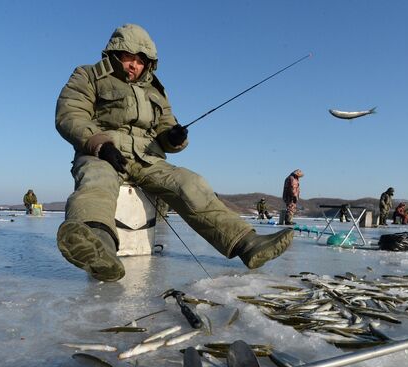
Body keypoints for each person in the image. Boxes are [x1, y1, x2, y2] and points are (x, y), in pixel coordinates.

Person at [54, 24, 293, 281]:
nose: (134, 65)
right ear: (114, 54)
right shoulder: (89, 75)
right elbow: (70, 114)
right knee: (97, 181)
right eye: (128, 58)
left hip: (147, 159)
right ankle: (97, 244)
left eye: (140, 60)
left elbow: (166, 128)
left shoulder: (156, 90)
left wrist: (173, 137)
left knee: (190, 183)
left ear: (149, 64)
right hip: (103, 153)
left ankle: (246, 243)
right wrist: (101, 145)